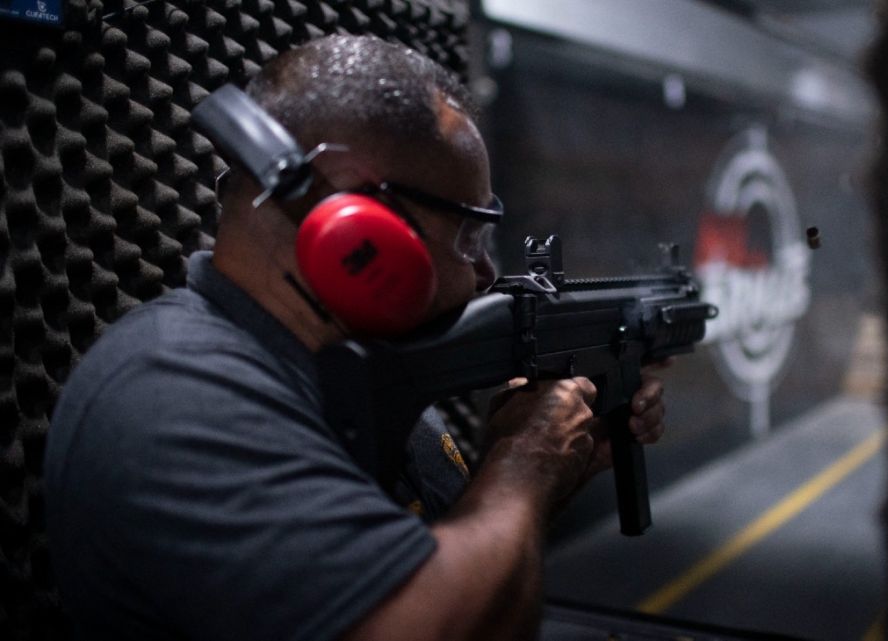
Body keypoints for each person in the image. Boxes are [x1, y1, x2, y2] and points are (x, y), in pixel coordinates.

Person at [43, 35, 667, 641]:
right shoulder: (174, 396)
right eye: (468, 236)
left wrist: (557, 463)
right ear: (358, 230)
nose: (483, 273)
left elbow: (427, 560)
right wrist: (528, 457)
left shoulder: (342, 369)